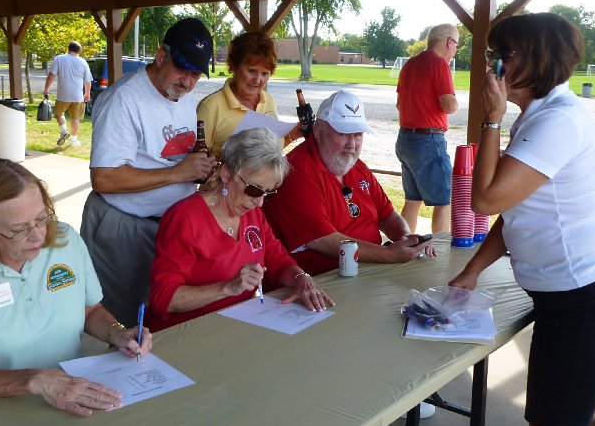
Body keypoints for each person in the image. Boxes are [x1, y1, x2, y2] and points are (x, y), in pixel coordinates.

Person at [448, 13, 595, 426]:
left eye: (503, 56)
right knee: (568, 424)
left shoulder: (557, 122)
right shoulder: (541, 116)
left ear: (535, 61)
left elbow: (485, 200)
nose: (492, 65)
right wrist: (474, 269)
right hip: (575, 297)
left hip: (588, 298)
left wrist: (490, 121)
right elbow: (517, 209)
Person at [0, 159, 150, 416]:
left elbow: (89, 311)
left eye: (42, 218)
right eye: (19, 229)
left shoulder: (65, 241)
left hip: (70, 391)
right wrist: (35, 380)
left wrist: (117, 333)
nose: (38, 236)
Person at [81, 17, 218, 326]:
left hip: (169, 226)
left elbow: (169, 154)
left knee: (161, 318)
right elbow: (104, 178)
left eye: (196, 73)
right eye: (182, 69)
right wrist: (179, 174)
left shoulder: (184, 95)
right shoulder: (123, 99)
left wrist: (199, 164)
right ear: (160, 56)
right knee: (126, 326)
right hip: (124, 226)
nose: (187, 81)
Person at [147, 127, 334, 332]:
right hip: (185, 332)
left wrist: (302, 279)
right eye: (254, 190)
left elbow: (279, 262)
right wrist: (228, 287)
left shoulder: (252, 214)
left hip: (235, 325)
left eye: (269, 193)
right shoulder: (185, 218)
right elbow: (164, 298)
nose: (260, 202)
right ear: (227, 173)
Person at [264, 90, 436, 277]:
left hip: (366, 270)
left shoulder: (355, 165)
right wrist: (389, 254)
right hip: (321, 280)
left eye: (358, 135)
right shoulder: (297, 169)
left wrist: (406, 239)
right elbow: (322, 240)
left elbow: (387, 215)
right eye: (344, 134)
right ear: (319, 132)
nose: (352, 144)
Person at [394, 23, 459, 233]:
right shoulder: (439, 65)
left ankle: (404, 245)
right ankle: (440, 257)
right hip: (428, 140)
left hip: (405, 139)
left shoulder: (409, 64)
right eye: (456, 45)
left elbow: (399, 103)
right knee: (444, 201)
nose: (456, 50)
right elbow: (449, 106)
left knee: (413, 200)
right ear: (449, 42)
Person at [196, 31, 301, 159]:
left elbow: (269, 152)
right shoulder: (210, 107)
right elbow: (198, 164)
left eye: (264, 74)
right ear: (234, 66)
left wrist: (291, 136)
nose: (257, 80)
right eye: (251, 71)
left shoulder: (268, 101)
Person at [43, 40, 92, 146]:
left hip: (63, 95)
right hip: (78, 96)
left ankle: (64, 131)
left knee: (58, 114)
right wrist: (87, 93)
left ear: (68, 48)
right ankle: (74, 140)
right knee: (75, 118)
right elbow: (87, 81)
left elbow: (51, 75)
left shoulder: (59, 58)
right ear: (78, 51)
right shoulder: (83, 62)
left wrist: (46, 88)